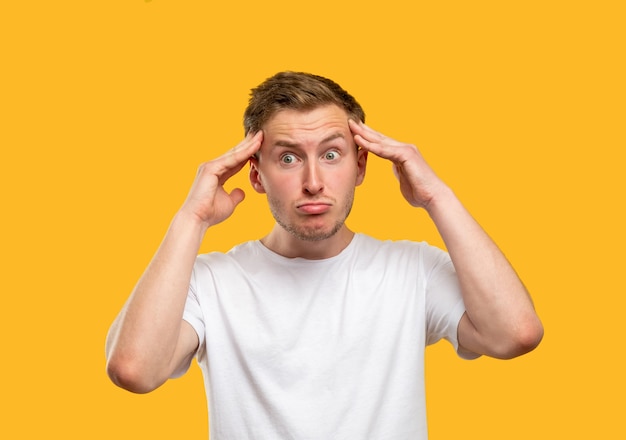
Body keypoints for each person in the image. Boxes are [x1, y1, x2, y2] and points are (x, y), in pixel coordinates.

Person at [105, 71, 543, 439]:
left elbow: (516, 334)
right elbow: (134, 370)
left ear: (361, 166)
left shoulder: (413, 270)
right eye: (290, 158)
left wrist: (436, 196)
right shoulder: (211, 281)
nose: (314, 181)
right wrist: (191, 218)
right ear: (256, 175)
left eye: (332, 154)